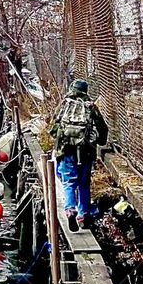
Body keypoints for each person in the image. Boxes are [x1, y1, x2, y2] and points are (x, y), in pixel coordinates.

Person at [49, 78, 108, 232]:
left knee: (69, 182)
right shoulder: (90, 106)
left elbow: (53, 129)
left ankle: (70, 211)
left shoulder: (64, 104)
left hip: (66, 150)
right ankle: (83, 214)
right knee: (84, 183)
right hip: (86, 151)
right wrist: (101, 141)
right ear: (85, 91)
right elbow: (103, 127)